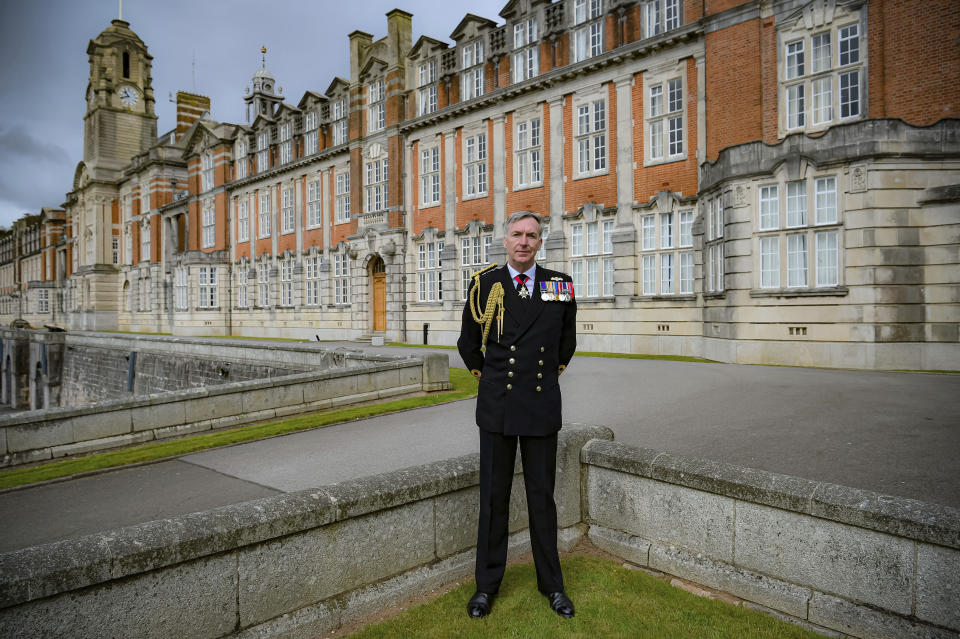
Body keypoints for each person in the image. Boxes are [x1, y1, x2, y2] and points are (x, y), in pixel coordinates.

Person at [457, 210, 577, 619]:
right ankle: (486, 587)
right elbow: (469, 345)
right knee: (494, 500)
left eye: (532, 235)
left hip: (541, 403)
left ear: (540, 242)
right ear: (504, 240)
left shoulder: (558, 284)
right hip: (498, 407)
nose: (524, 242)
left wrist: (538, 379)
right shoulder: (483, 285)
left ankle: (553, 586)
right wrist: (491, 382)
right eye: (517, 235)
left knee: (542, 499)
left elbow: (566, 344)